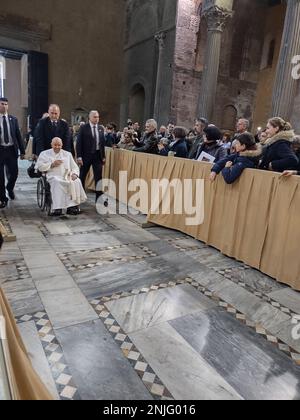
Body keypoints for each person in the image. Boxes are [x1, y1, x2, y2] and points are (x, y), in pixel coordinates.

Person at [36, 138, 87, 216]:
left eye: (59, 145)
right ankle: (57, 208)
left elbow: (74, 167)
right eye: (55, 145)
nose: (57, 147)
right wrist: (52, 164)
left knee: (76, 181)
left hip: (67, 175)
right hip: (53, 175)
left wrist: (75, 174)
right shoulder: (44, 153)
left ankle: (72, 207)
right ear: (51, 145)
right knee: (57, 182)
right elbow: (39, 166)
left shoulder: (67, 154)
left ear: (62, 145)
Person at [0, 97, 25, 208]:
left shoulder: (13, 119)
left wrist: (23, 151)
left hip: (11, 150)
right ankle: (3, 198)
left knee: (14, 173)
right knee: (0, 176)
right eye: (2, 104)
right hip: (0, 150)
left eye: (5, 104)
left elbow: (18, 136)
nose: (4, 106)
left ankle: (9, 188)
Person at [76, 110, 106, 201]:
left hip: (97, 156)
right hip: (86, 155)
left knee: (98, 177)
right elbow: (79, 143)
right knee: (82, 176)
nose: (97, 119)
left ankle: (99, 198)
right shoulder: (84, 128)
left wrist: (103, 156)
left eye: (98, 117)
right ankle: (80, 196)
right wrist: (79, 156)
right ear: (89, 117)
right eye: (94, 117)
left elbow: (102, 143)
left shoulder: (101, 128)